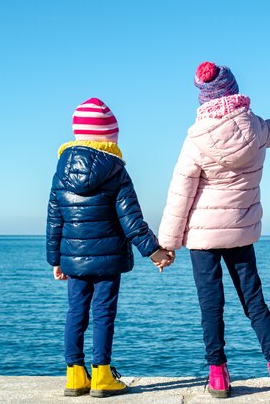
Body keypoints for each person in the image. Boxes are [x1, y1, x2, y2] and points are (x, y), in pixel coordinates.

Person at [158, 62, 270, 398]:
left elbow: (179, 193)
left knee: (210, 305)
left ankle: (218, 377)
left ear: (204, 97)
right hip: (240, 232)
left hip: (202, 237)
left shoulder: (195, 140)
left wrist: (167, 244)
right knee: (254, 302)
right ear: (233, 90)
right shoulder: (254, 127)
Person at [46, 98, 174, 398]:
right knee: (103, 313)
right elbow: (132, 220)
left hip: (73, 259)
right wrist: (155, 251)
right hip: (108, 259)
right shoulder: (115, 171)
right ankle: (102, 375)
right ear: (110, 136)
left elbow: (54, 220)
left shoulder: (60, 172)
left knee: (75, 311)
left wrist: (56, 260)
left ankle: (75, 375)